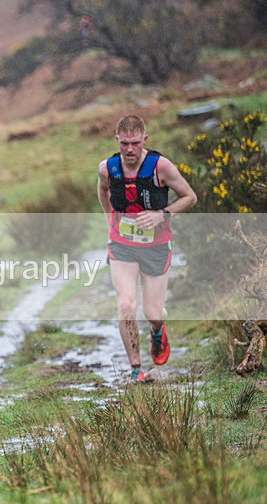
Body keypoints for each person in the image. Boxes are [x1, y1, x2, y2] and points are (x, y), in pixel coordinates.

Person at [97, 114, 197, 384]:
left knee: (153, 312)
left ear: (145, 140)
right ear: (117, 140)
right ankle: (135, 369)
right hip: (123, 246)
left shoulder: (160, 166)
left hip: (156, 246)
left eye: (135, 143)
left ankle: (157, 330)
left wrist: (161, 214)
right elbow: (103, 190)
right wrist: (111, 223)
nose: (130, 150)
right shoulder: (108, 168)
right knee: (126, 304)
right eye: (124, 144)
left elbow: (190, 197)